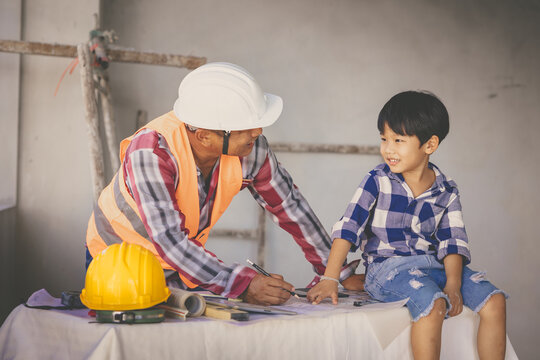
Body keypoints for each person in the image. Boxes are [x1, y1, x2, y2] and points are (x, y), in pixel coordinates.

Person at [85, 62, 363, 306]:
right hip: (119, 261)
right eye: (245, 126)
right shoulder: (151, 151)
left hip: (183, 263)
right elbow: (170, 240)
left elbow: (290, 206)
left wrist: (336, 273)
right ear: (204, 136)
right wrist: (243, 284)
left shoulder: (250, 148)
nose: (258, 132)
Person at [307, 91, 507, 359]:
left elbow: (453, 241)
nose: (388, 149)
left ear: (430, 144)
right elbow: (348, 228)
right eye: (384, 139)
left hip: (433, 265)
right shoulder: (376, 180)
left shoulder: (446, 189)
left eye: (398, 140)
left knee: (494, 301)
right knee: (433, 303)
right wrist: (330, 278)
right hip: (387, 269)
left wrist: (453, 283)